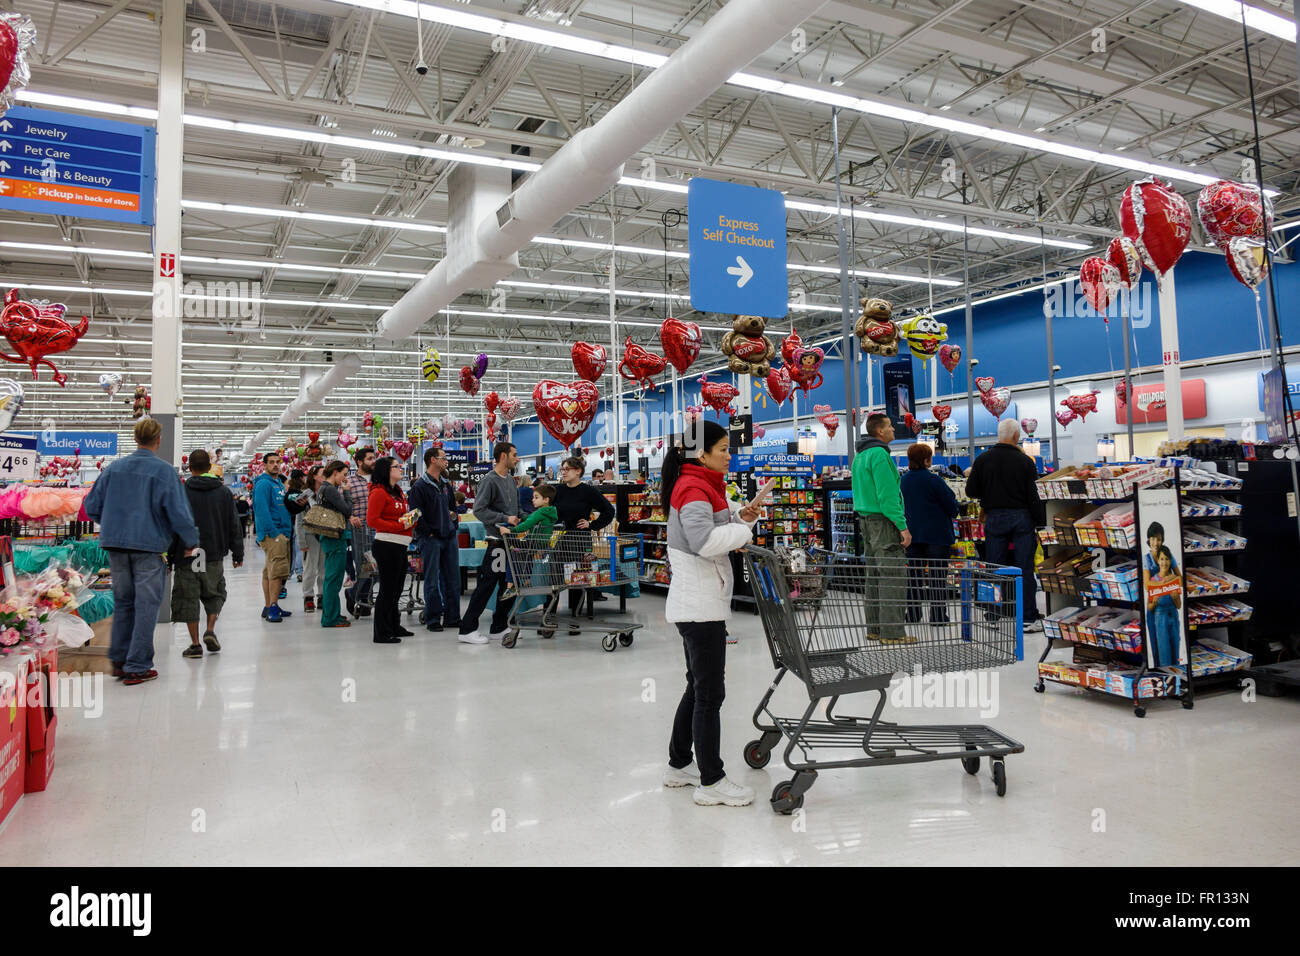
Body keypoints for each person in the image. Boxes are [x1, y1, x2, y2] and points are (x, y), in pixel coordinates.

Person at [661, 420, 766, 807]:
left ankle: (678, 766)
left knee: (696, 687)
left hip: (700, 602)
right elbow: (704, 542)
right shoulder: (692, 488)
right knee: (710, 693)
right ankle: (711, 780)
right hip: (699, 605)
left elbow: (712, 529)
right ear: (701, 453)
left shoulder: (702, 486)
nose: (729, 455)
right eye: (723, 448)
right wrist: (745, 535)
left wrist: (742, 519)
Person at [83, 418, 200, 685]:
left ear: (135, 439)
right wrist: (191, 540)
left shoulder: (114, 468)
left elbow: (91, 506)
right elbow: (179, 514)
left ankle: (120, 660)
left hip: (115, 545)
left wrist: (113, 521)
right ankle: (137, 665)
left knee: (124, 603)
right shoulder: (164, 472)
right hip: (148, 546)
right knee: (146, 606)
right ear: (158, 440)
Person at [964, 418, 1045, 632]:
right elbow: (1033, 496)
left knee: (994, 567)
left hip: (994, 517)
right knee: (1025, 568)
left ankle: (993, 614)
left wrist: (989, 493)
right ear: (1017, 436)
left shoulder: (982, 460)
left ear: (999, 435)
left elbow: (970, 491)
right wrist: (1039, 522)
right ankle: (1028, 618)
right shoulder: (1026, 462)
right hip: (1021, 517)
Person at [172, 449, 244, 659]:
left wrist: (168, 555)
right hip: (212, 554)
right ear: (209, 467)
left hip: (188, 554)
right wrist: (238, 553)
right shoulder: (223, 493)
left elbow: (174, 526)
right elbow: (234, 524)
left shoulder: (182, 492)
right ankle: (210, 629)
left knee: (188, 597)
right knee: (214, 593)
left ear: (190, 468)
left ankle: (195, 644)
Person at [852, 413, 916, 645]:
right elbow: (888, 496)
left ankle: (875, 628)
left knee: (874, 577)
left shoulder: (860, 457)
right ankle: (893, 633)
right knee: (892, 576)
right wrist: (903, 527)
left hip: (866, 522)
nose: (893, 430)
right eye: (889, 426)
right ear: (879, 431)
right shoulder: (879, 455)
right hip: (884, 522)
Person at [458, 442, 520, 645]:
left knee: (508, 585)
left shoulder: (511, 480)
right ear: (503, 456)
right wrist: (504, 518)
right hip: (495, 544)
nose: (517, 458)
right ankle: (467, 629)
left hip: (510, 543)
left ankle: (499, 626)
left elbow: (516, 512)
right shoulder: (489, 481)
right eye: (514, 455)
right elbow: (479, 510)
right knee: (486, 585)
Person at [900, 443, 959, 625]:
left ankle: (913, 615)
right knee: (937, 578)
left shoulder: (902, 481)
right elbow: (952, 507)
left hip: (912, 536)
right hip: (937, 536)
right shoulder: (935, 480)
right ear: (927, 460)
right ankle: (938, 616)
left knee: (914, 578)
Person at [406, 446, 462, 633]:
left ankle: (453, 617)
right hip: (430, 539)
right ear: (432, 460)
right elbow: (413, 515)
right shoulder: (419, 487)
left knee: (453, 579)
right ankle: (433, 618)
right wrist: (428, 532)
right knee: (431, 580)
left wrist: (454, 526)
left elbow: (454, 509)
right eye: (443, 458)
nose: (446, 461)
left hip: (449, 537)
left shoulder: (446, 485)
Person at [554, 456, 616, 609]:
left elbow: (609, 511)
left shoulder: (588, 491)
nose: (564, 472)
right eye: (562, 469)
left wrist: (592, 525)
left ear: (578, 471)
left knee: (577, 578)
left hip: (580, 540)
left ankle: (574, 615)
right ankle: (549, 614)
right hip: (559, 540)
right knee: (554, 578)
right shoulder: (557, 490)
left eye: (567, 469)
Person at [366, 456, 415, 644]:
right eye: (396, 466)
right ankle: (381, 632)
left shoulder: (397, 491)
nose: (400, 468)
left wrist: (409, 519)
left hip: (401, 544)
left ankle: (394, 625)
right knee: (387, 590)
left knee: (397, 589)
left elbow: (399, 516)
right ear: (386, 470)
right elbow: (372, 520)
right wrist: (398, 526)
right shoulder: (378, 492)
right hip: (387, 544)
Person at [252, 452, 295, 624]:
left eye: (278, 462)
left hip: (281, 532)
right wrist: (274, 533)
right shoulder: (263, 484)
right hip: (274, 535)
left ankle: (269, 605)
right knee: (277, 572)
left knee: (269, 570)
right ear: (264, 465)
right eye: (271, 462)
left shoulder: (277, 483)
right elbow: (261, 511)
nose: (276, 465)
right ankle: (274, 607)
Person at [317, 461, 353, 628]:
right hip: (335, 536)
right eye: (344, 474)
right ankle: (330, 618)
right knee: (334, 578)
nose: (345, 478)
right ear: (335, 473)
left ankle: (332, 614)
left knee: (331, 578)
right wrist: (347, 492)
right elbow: (347, 510)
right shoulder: (331, 490)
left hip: (327, 535)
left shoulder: (322, 489)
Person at [345, 447, 378, 618]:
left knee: (377, 567)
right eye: (370, 458)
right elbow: (341, 505)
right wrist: (350, 516)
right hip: (361, 531)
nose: (374, 461)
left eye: (374, 458)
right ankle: (364, 602)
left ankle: (354, 594)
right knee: (366, 567)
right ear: (359, 461)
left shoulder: (380, 480)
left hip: (379, 530)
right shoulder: (349, 481)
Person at [1146, 545, 1183, 666]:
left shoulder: (1174, 579)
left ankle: (1177, 673)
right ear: (1158, 561)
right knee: (1164, 650)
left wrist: (1176, 597)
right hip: (1160, 617)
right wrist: (1154, 602)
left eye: (1167, 559)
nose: (1164, 562)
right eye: (1162, 559)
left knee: (1175, 648)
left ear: (1170, 561)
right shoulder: (1153, 580)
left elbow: (1179, 606)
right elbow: (1149, 607)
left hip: (1173, 615)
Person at [295, 465, 325, 612]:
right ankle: (308, 597)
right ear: (314, 476)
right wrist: (301, 541)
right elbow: (299, 519)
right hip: (310, 536)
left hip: (326, 535)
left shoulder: (327, 492)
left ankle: (322, 596)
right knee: (310, 569)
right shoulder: (304, 494)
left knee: (324, 569)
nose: (326, 475)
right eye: (322, 473)